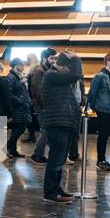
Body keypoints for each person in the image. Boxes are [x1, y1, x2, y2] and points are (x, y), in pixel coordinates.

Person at [39, 49, 83, 203]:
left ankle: (56, 189)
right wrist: (76, 58)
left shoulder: (60, 78)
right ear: (62, 66)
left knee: (60, 159)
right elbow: (76, 75)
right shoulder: (51, 75)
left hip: (65, 122)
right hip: (57, 122)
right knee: (55, 159)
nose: (69, 70)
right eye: (68, 67)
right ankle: (50, 192)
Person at [87, 52, 110, 171]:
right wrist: (92, 107)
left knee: (107, 134)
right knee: (103, 134)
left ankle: (103, 159)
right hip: (102, 108)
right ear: (108, 62)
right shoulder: (100, 76)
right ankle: (100, 160)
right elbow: (92, 92)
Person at [5, 59, 33, 159]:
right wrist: (20, 100)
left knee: (17, 128)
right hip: (17, 107)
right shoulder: (11, 77)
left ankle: (13, 150)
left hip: (22, 106)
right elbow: (8, 93)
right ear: (16, 65)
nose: (23, 66)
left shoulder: (17, 76)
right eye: (21, 64)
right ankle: (8, 147)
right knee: (21, 127)